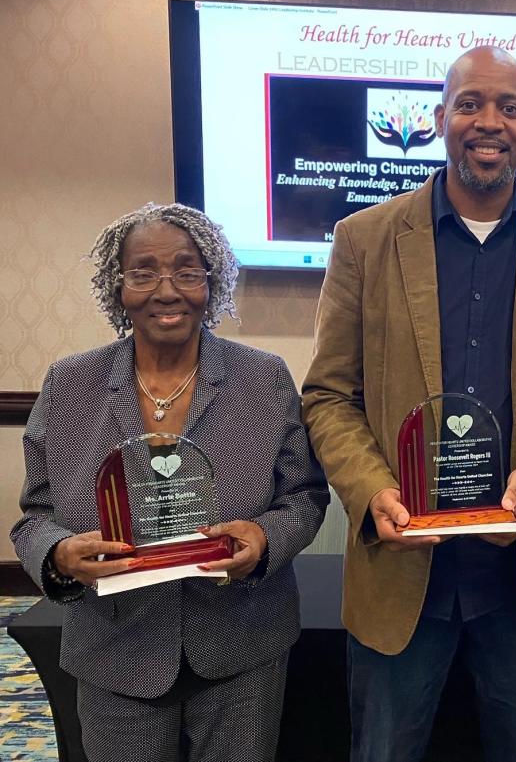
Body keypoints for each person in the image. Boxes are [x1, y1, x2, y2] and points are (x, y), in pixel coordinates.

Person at [302, 46, 516, 762]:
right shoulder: (365, 239)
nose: (489, 122)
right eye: (471, 103)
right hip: (400, 570)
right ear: (440, 117)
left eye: (509, 107)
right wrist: (373, 488)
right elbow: (328, 393)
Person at [11, 203, 328, 762]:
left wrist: (264, 539)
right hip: (115, 646)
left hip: (242, 643)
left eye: (187, 271)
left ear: (213, 281)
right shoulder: (70, 384)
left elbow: (304, 496)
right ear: (118, 284)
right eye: (144, 272)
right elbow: (34, 517)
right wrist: (59, 553)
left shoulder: (263, 377)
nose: (167, 290)